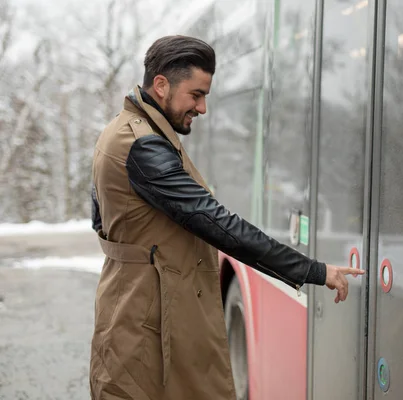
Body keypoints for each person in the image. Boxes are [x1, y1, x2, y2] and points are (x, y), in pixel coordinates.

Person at [88, 35, 364, 400]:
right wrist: (313, 270)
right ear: (161, 85)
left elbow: (102, 218)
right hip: (145, 322)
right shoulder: (143, 145)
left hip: (137, 309)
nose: (202, 108)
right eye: (196, 94)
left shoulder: (127, 131)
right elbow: (217, 224)